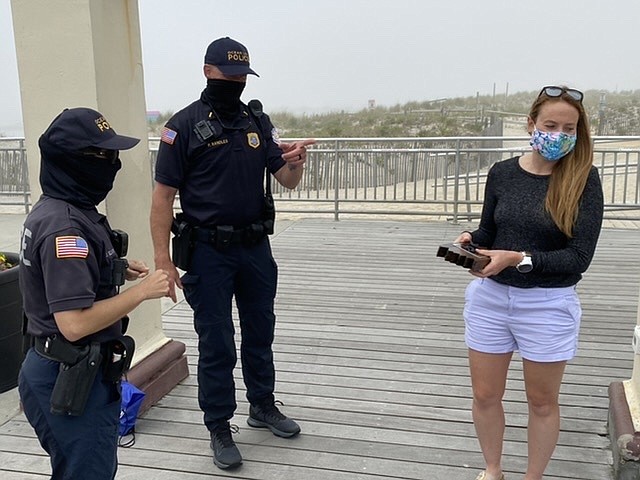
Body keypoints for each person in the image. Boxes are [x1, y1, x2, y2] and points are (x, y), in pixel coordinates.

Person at [150, 36, 315, 470]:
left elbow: (287, 180)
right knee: (218, 342)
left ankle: (262, 405)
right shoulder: (181, 127)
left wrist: (294, 161)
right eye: (230, 74)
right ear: (208, 71)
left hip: (255, 249)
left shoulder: (256, 119)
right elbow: (162, 198)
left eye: (242, 75)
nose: (237, 82)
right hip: (208, 253)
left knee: (261, 331)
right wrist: (163, 263)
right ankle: (219, 426)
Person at [453, 86, 604, 480]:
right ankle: (492, 470)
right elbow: (489, 230)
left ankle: (532, 477)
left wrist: (520, 259)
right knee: (485, 395)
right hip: (490, 299)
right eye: (550, 125)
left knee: (541, 402)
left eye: (568, 128)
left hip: (549, 304)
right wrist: (473, 244)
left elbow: (578, 257)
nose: (558, 135)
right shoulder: (502, 173)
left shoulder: (584, 179)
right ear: (531, 124)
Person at [18, 107, 170, 479]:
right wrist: (142, 292)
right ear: (70, 161)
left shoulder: (59, 207)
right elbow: (72, 324)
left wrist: (115, 269)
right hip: (68, 376)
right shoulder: (64, 230)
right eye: (101, 155)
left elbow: (57, 280)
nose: (111, 164)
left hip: (69, 370)